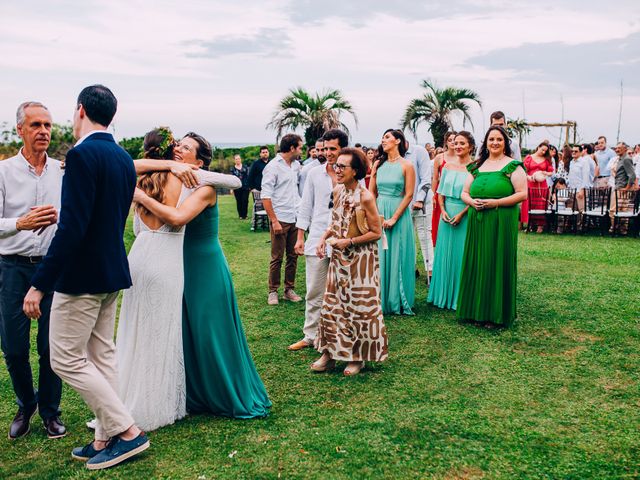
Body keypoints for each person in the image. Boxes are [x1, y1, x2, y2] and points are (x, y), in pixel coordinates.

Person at [22, 85, 148, 470]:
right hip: (111, 272)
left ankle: (127, 432)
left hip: (82, 279)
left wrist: (39, 284)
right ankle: (103, 435)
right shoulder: (123, 158)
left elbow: (73, 229)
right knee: (100, 354)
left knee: (64, 358)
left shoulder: (80, 155)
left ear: (80, 111)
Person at [134, 132, 271, 418]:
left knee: (210, 331)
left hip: (205, 266)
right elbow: (130, 166)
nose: (179, 149)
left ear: (198, 160)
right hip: (176, 263)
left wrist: (141, 197)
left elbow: (179, 218)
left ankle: (226, 393)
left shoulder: (205, 186)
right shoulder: (171, 178)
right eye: (178, 145)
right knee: (186, 330)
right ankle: (194, 395)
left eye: (186, 148)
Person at [0, 101, 65, 440]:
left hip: (52, 269)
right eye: (36, 125)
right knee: (12, 347)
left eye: (47, 125)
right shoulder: (3, 171)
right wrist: (20, 224)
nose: (43, 131)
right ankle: (27, 405)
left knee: (51, 346)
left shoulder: (63, 170)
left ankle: (51, 412)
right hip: (12, 268)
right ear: (20, 130)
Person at [312, 148, 386, 376]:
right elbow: (335, 223)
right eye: (337, 166)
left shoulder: (365, 197)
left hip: (362, 261)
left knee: (358, 308)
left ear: (356, 171)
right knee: (333, 306)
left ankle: (357, 358)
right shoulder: (337, 191)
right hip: (338, 259)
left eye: (343, 166)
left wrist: (350, 242)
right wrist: (324, 239)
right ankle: (329, 353)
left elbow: (376, 232)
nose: (337, 169)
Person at [457, 125, 527, 327]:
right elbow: (464, 192)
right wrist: (471, 202)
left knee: (496, 262)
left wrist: (495, 203)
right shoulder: (478, 165)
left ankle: (496, 314)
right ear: (485, 143)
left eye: (499, 139)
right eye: (491, 139)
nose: (495, 143)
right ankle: (474, 311)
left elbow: (522, 194)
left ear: (505, 143)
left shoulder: (513, 166)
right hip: (478, 220)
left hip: (500, 220)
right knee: (478, 262)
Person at [288, 130, 343, 351]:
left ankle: (338, 335)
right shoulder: (313, 174)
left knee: (342, 291)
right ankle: (310, 335)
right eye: (325, 149)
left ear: (342, 149)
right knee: (314, 290)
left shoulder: (352, 174)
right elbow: (305, 207)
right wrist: (300, 237)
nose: (328, 153)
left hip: (344, 240)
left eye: (332, 149)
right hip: (316, 238)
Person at [369, 129, 416, 315]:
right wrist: (374, 215)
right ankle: (379, 298)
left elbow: (409, 194)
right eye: (382, 137)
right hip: (379, 210)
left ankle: (397, 299)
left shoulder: (407, 165)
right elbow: (371, 192)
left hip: (399, 211)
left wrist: (394, 217)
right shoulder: (377, 164)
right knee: (379, 255)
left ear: (398, 141)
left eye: (387, 137)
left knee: (397, 253)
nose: (383, 140)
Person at [427, 132, 474, 310]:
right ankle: (442, 295)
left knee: (461, 255)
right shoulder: (447, 167)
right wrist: (444, 211)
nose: (458, 146)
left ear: (470, 146)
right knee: (444, 254)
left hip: (466, 214)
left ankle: (459, 296)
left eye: (462, 143)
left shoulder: (476, 168)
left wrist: (462, 213)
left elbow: (476, 196)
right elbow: (441, 194)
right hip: (446, 216)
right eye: (455, 143)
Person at [261, 134, 304, 305]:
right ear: (292, 148)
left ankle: (289, 289)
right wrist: (274, 220)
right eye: (300, 147)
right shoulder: (272, 167)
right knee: (277, 257)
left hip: (296, 216)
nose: (302, 150)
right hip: (280, 218)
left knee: (293, 256)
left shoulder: (296, 166)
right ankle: (273, 291)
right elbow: (266, 196)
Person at [402, 137, 433, 282]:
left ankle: (430, 271)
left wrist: (419, 199)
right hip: (403, 204)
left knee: (424, 235)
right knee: (407, 237)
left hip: (421, 202)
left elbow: (426, 178)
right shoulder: (394, 154)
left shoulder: (419, 151)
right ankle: (411, 267)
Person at [431, 131, 457, 247]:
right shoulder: (439, 157)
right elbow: (435, 178)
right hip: (441, 192)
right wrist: (432, 195)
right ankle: (440, 243)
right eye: (450, 140)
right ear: (446, 142)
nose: (452, 142)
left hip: (455, 192)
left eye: (454, 140)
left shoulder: (460, 156)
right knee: (439, 219)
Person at [521, 142, 554, 231]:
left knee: (541, 204)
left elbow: (551, 172)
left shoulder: (547, 159)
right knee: (530, 203)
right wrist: (528, 177)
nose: (543, 152)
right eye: (542, 150)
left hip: (542, 185)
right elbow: (523, 171)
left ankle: (540, 226)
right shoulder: (529, 158)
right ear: (538, 147)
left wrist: (546, 173)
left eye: (545, 151)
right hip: (530, 183)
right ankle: (530, 225)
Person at [567, 145, 590, 211]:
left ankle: (583, 222)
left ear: (580, 152)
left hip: (580, 190)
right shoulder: (571, 162)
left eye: (576, 151)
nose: (573, 152)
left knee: (582, 210)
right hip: (572, 190)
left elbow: (586, 177)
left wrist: (582, 190)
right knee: (573, 210)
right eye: (572, 151)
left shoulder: (584, 162)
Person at [230, 154, 250, 219]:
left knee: (245, 200)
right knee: (239, 201)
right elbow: (231, 179)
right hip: (237, 187)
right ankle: (240, 215)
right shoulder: (232, 169)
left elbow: (248, 177)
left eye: (239, 158)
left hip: (245, 187)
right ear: (234, 160)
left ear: (240, 159)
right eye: (236, 159)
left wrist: (250, 186)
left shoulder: (245, 167)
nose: (238, 160)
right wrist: (231, 189)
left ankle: (245, 215)